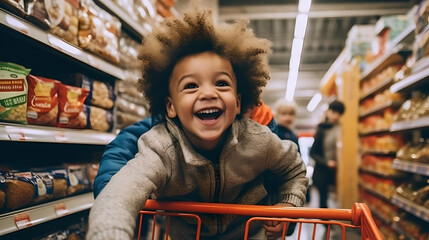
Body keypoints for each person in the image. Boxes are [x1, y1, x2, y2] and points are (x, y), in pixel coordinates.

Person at [87, 8, 308, 240]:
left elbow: (293, 169)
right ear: (170, 106)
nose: (208, 93)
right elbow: (121, 192)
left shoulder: (258, 139)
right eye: (191, 86)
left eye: (221, 83)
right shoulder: (161, 149)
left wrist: (289, 204)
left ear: (239, 102)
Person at [310, 100, 345, 208]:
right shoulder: (322, 129)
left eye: (339, 113)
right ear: (328, 111)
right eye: (334, 112)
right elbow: (312, 152)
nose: (336, 116)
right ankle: (326, 223)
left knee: (335, 200)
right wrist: (326, 162)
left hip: (336, 172)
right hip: (322, 172)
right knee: (324, 201)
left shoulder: (341, 129)